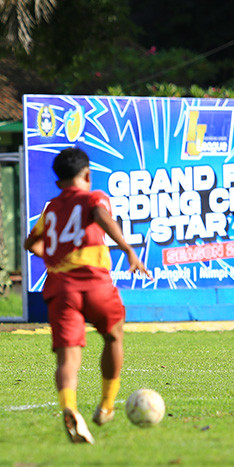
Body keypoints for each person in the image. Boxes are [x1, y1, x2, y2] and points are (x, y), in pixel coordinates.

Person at [24, 147, 152, 444]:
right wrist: (127, 248)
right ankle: (106, 406)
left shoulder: (51, 208)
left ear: (59, 181)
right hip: (95, 283)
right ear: (88, 174)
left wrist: (53, 260)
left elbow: (31, 243)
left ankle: (70, 407)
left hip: (60, 288)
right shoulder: (94, 197)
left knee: (68, 358)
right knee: (114, 337)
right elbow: (99, 215)